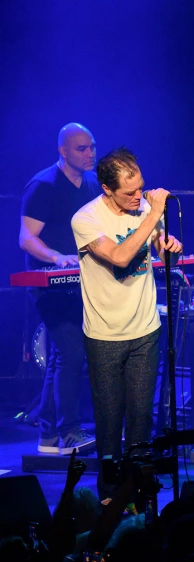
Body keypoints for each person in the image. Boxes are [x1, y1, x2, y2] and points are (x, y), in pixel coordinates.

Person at [71, 147, 183, 499]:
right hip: (105, 333)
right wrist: (154, 216)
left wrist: (169, 244)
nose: (139, 197)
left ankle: (137, 492)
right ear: (107, 189)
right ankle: (108, 493)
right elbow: (120, 257)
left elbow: (158, 246)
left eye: (141, 189)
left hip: (145, 329)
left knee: (140, 416)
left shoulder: (147, 210)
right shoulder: (85, 219)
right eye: (129, 193)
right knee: (109, 417)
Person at [20, 123, 101, 455]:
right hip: (49, 286)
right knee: (70, 353)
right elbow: (26, 238)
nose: (90, 153)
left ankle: (49, 435)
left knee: (61, 357)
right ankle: (68, 433)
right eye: (81, 148)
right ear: (63, 151)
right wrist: (57, 257)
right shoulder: (44, 186)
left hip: (81, 283)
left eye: (92, 146)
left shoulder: (93, 183)